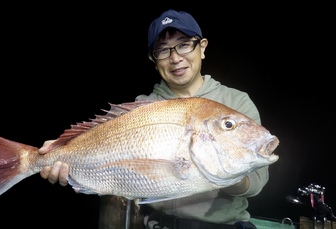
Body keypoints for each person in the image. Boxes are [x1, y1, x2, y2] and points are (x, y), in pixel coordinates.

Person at [39, 9, 266, 229]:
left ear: (202, 47)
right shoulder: (140, 109)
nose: (176, 58)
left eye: (184, 45)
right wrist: (61, 152)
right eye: (163, 50)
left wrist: (225, 169)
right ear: (153, 59)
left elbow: (256, 183)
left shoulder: (234, 102)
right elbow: (118, 170)